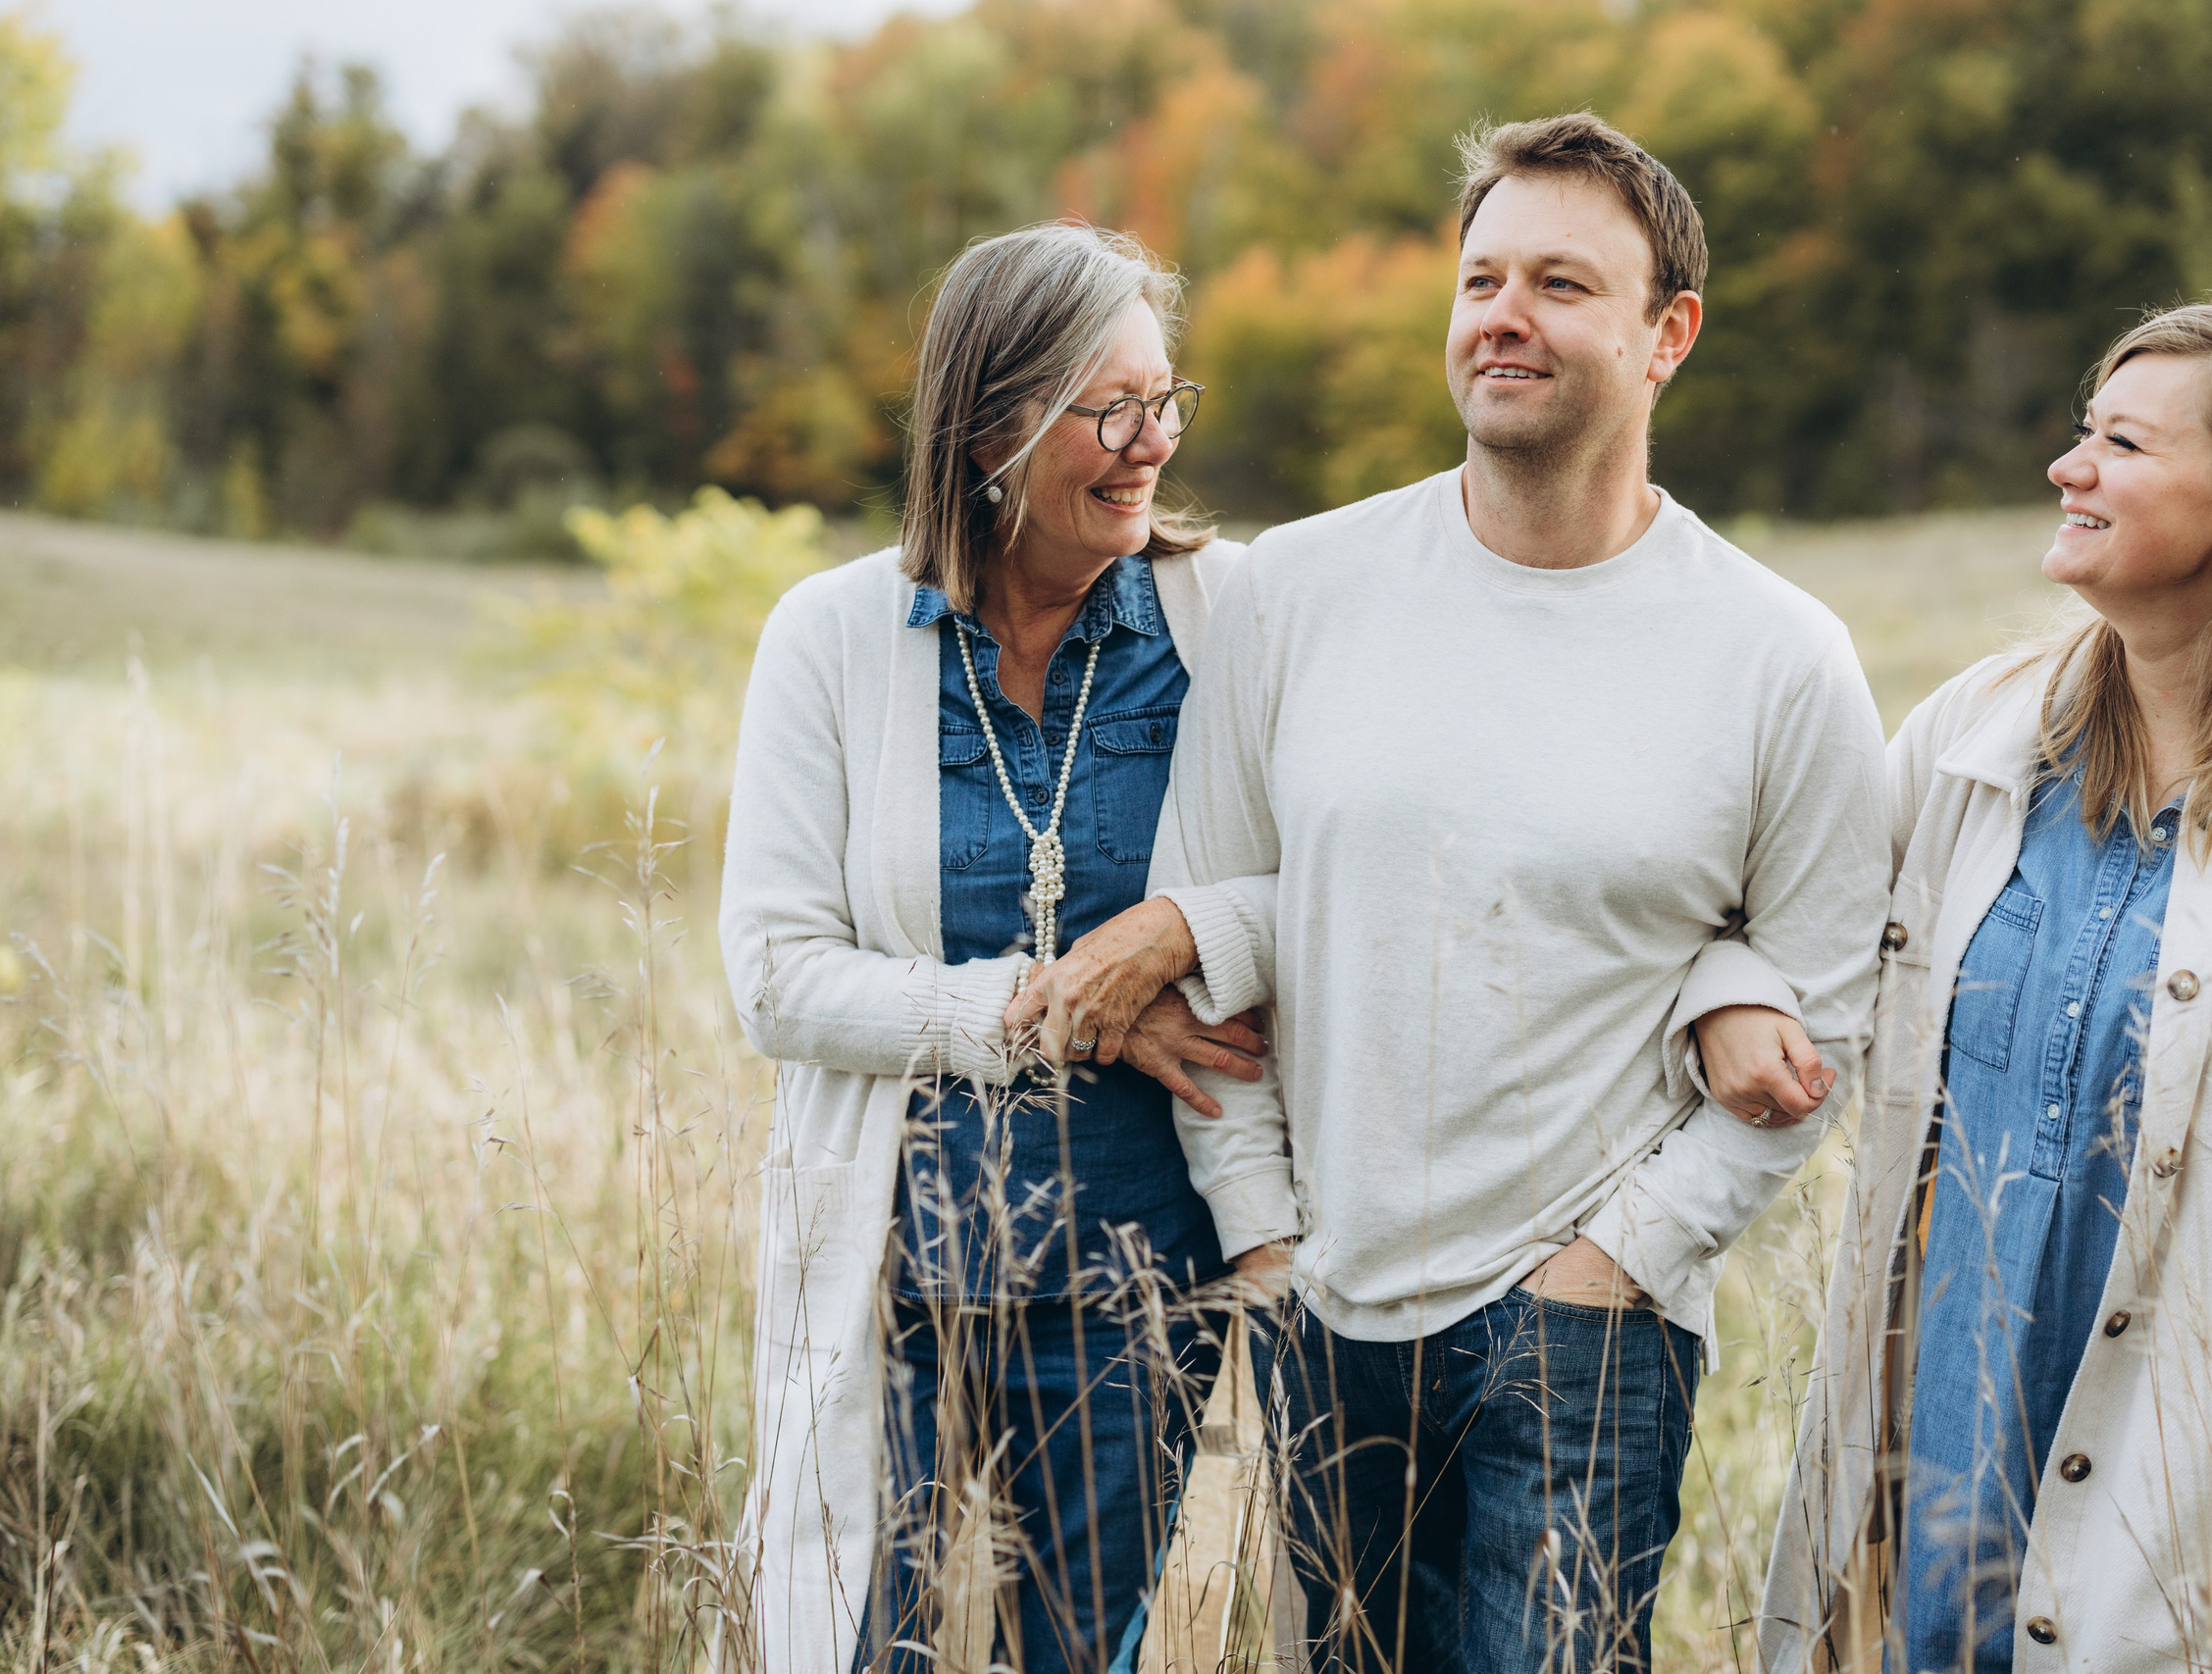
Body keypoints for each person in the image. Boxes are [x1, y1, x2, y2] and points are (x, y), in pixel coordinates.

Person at [1019, 113, 1891, 1672]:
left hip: (1588, 1334)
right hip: (1324, 1311)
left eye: (1563, 282)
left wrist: (1627, 1260)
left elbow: (1830, 1002)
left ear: (1666, 334)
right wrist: (1269, 1242)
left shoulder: (1776, 652)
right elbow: (1210, 930)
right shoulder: (1301, 591)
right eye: (1482, 276)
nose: (1504, 314)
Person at [1738, 301, 2212, 1672]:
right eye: (2082, 430)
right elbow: (1787, 939)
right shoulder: (1970, 743)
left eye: (2121, 441)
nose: (2068, 467)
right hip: (1939, 1500)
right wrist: (1729, 997)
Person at [719, 222, 1274, 1674]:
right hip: (892, 1278)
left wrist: (1174, 934)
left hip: (1140, 1284)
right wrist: (1053, 1009)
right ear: (989, 425)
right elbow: (775, 977)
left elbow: (1331, 886)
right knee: (852, 1646)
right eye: (1109, 410)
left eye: (1166, 400)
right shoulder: (831, 638)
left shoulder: (1236, 620)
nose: (1151, 442)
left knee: (1078, 1657)